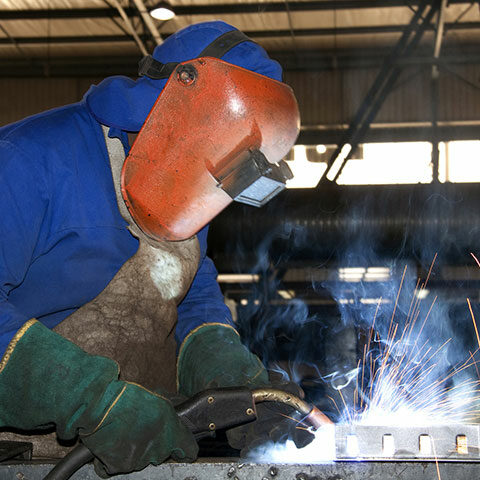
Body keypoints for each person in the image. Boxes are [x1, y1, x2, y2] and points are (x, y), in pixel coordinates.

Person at [0, 21, 303, 475]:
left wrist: (230, 377)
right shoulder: (27, 159)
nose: (213, 184)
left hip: (136, 451)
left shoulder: (185, 191)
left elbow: (191, 299)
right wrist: (88, 400)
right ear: (178, 109)